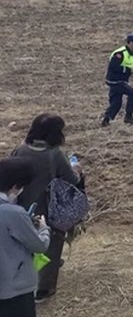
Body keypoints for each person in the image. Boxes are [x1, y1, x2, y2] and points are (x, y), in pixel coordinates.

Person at [11, 113, 83, 302]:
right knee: (51, 243)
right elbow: (72, 180)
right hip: (48, 208)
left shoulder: (21, 149)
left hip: (20, 206)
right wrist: (77, 168)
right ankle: (44, 288)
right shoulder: (55, 155)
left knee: (25, 243)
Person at [0, 157, 51, 317]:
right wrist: (43, 229)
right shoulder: (13, 213)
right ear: (15, 186)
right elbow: (39, 246)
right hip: (15, 288)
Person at [101, 32, 133, 126]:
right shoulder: (120, 53)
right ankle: (129, 116)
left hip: (122, 80)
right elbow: (113, 67)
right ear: (128, 42)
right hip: (115, 81)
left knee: (116, 102)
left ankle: (106, 120)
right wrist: (128, 70)